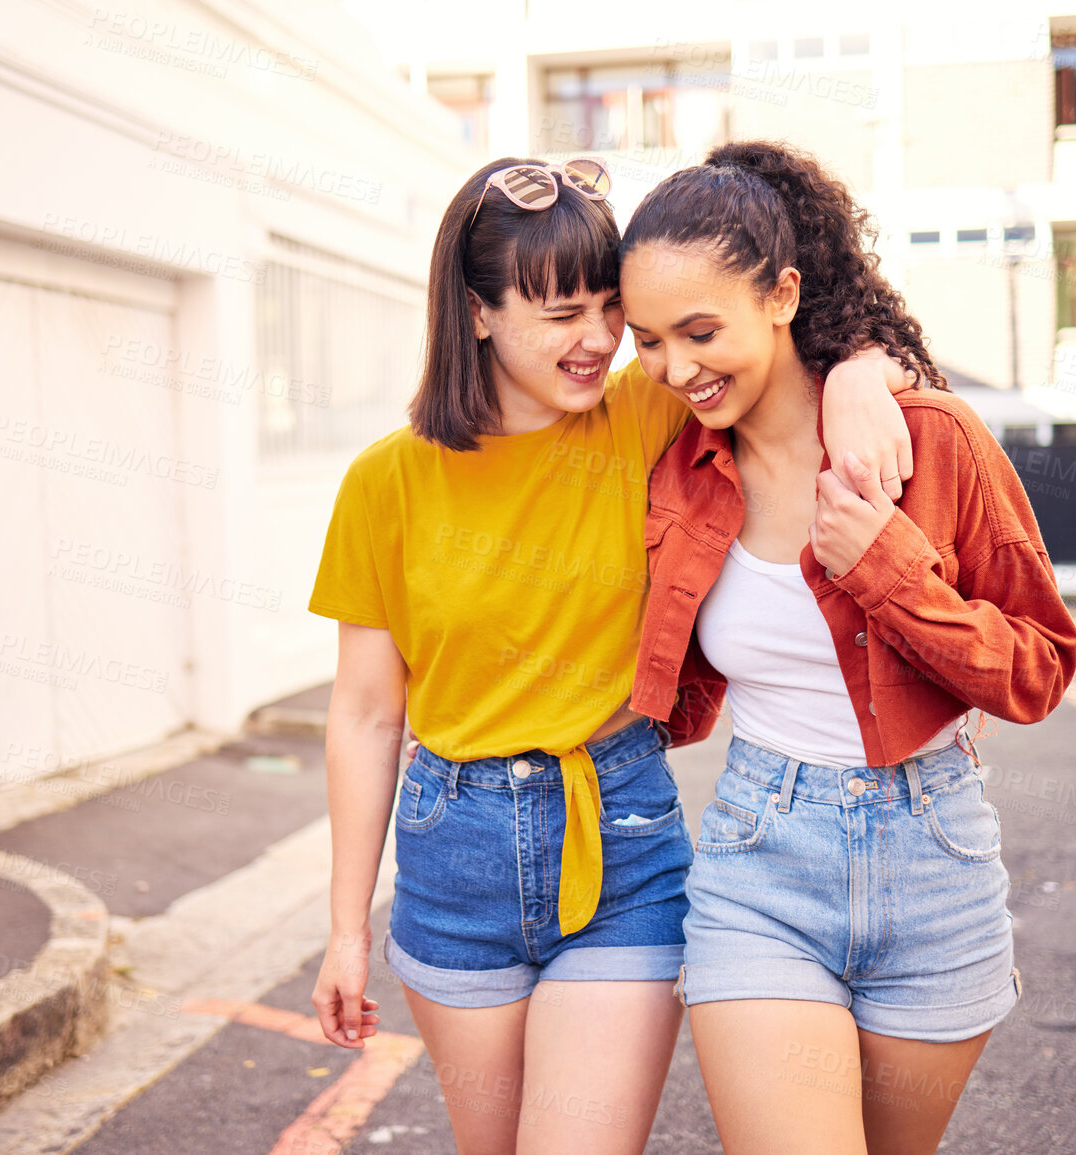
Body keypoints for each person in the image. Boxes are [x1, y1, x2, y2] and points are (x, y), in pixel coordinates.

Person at [305, 154, 914, 1155]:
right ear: (476, 313)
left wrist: (856, 377)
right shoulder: (387, 483)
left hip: (621, 835)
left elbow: (792, 338)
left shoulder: (646, 413)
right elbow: (368, 715)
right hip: (451, 852)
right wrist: (343, 929)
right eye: (560, 316)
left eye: (607, 312)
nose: (597, 343)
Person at [620, 141, 1076, 1155]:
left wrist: (886, 568)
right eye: (648, 342)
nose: (676, 370)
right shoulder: (676, 468)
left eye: (701, 332)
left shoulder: (934, 441)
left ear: (783, 294)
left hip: (936, 856)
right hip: (759, 858)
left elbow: (1040, 665)